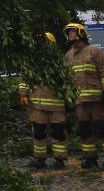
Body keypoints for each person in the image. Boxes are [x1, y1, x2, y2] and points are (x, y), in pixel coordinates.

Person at [63, 21, 104, 169]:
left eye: (72, 31)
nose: (70, 34)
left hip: (97, 99)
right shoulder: (68, 55)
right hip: (80, 101)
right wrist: (69, 99)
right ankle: (90, 158)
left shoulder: (94, 51)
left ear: (81, 33)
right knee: (84, 129)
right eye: (68, 32)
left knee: (102, 128)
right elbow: (67, 79)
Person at [18, 32, 71, 169]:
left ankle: (60, 159)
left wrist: (70, 101)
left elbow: (69, 81)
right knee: (38, 132)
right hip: (37, 104)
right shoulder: (32, 62)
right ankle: (39, 159)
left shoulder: (60, 62)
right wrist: (23, 94)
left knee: (58, 132)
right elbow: (25, 79)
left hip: (56, 105)